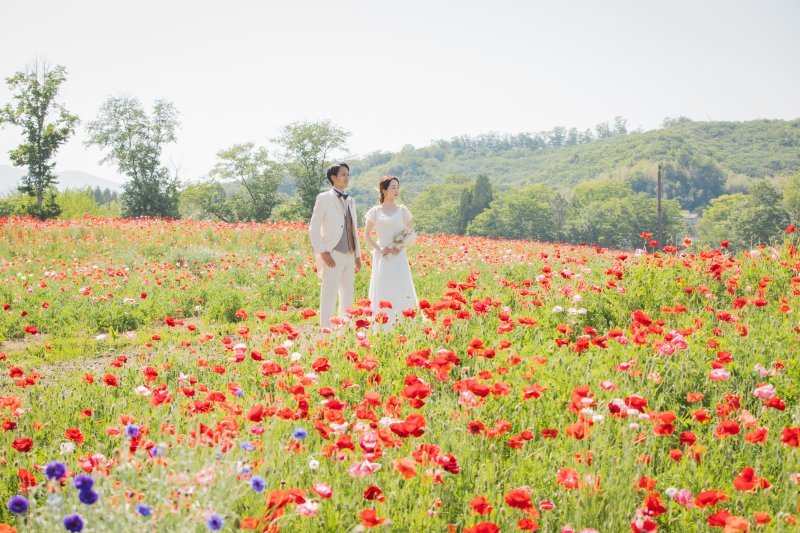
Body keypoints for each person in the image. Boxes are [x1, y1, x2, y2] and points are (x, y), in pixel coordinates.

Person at [308, 163, 362, 330]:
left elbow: (353, 229)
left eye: (348, 174)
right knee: (329, 295)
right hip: (332, 253)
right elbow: (313, 228)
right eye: (343, 174)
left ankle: (345, 330)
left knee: (347, 295)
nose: (347, 178)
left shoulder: (350, 200)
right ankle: (326, 331)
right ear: (333, 177)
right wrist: (322, 252)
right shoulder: (324, 198)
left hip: (349, 253)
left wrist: (358, 255)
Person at [363, 175, 418, 330]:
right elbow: (366, 235)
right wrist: (379, 248)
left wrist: (399, 247)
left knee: (400, 285)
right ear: (384, 190)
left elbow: (410, 233)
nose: (396, 190)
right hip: (382, 253)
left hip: (398, 254)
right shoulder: (374, 211)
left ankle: (403, 321)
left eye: (398, 187)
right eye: (393, 187)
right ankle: (382, 323)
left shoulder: (403, 210)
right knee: (382, 285)